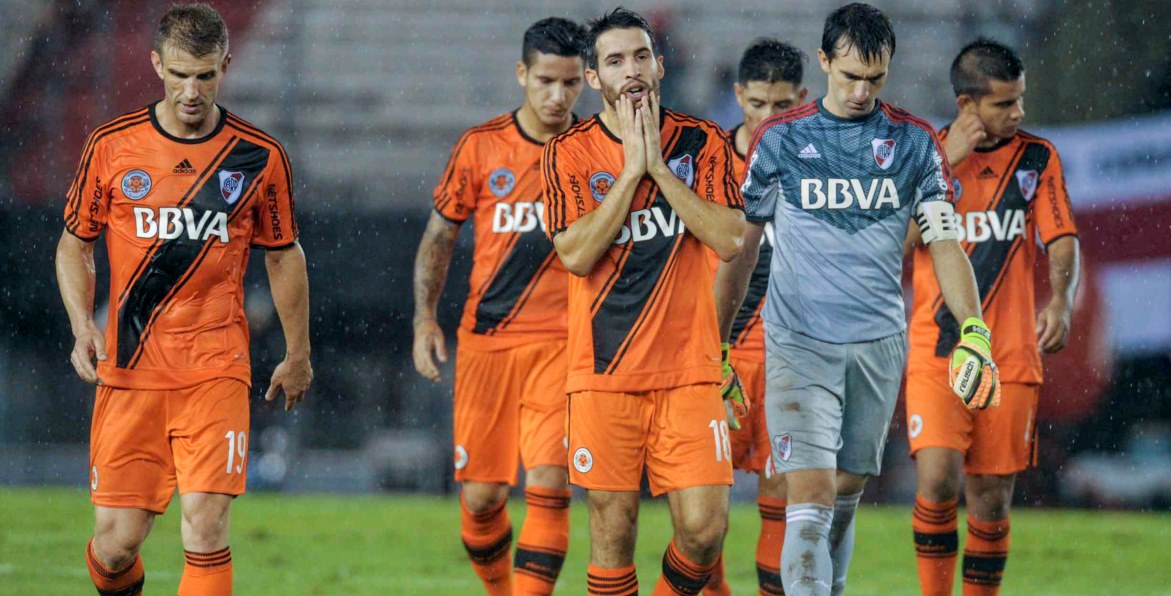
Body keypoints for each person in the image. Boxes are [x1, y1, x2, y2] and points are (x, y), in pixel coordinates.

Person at [714, 4, 1001, 595]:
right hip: (797, 342)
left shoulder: (915, 142)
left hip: (878, 346)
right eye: (849, 76)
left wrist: (974, 329)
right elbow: (742, 251)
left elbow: (945, 243)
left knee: (844, 494)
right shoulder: (780, 139)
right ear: (823, 62)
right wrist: (714, 344)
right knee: (810, 494)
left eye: (874, 78)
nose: (861, 91)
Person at [55, 4, 312, 595]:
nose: (191, 91)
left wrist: (297, 352)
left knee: (207, 527)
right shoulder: (112, 146)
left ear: (225, 66)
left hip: (216, 368)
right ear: (156, 65)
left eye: (204, 75)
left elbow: (284, 255)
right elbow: (74, 244)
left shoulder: (259, 156)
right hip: (131, 369)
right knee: (116, 547)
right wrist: (81, 325)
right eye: (179, 75)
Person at [540, 7, 746, 595]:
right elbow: (576, 254)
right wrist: (631, 174)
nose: (629, 70)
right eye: (613, 61)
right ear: (594, 78)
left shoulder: (701, 142)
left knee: (705, 531)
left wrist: (658, 167)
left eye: (639, 56)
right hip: (604, 374)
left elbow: (730, 238)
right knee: (613, 530)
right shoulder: (568, 152)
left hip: (689, 372)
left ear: (658, 66)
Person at [411, 17, 587, 595]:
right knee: (483, 498)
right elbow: (440, 237)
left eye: (570, 83)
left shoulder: (598, 150)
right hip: (488, 341)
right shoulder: (481, 146)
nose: (558, 96)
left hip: (565, 342)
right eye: (545, 81)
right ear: (521, 74)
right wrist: (424, 318)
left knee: (550, 482)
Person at [906, 39, 1080, 596]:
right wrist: (945, 164)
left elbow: (1061, 236)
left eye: (1020, 99)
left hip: (1010, 356)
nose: (1018, 112)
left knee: (991, 499)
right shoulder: (925, 154)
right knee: (938, 480)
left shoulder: (1037, 158)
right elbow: (897, 243)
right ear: (966, 104)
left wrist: (1060, 298)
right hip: (938, 350)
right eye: (1005, 103)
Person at [704, 37, 808, 596]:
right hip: (716, 355)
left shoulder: (820, 168)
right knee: (703, 513)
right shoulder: (706, 162)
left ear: (803, 99)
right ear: (739, 95)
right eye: (758, 103)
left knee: (781, 500)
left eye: (782, 105)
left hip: (790, 357)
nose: (769, 117)